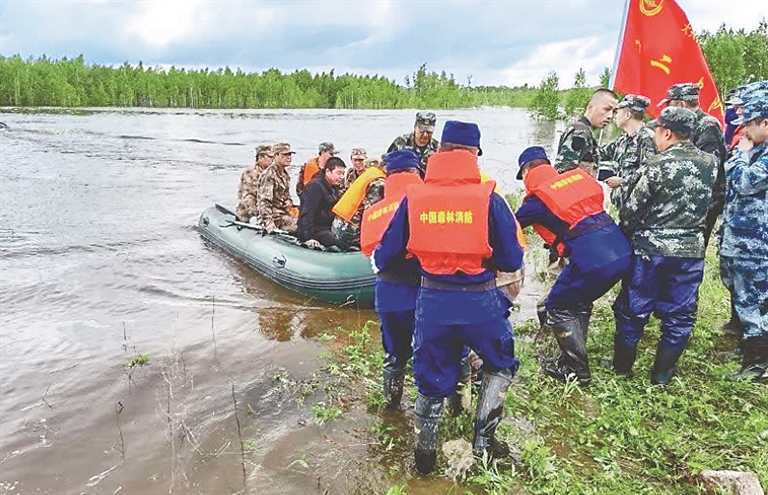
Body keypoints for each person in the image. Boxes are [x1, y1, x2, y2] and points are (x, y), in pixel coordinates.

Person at [373, 120, 525, 474]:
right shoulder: (489, 197)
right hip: (481, 304)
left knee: (429, 377)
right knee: (499, 363)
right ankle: (485, 445)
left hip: (433, 304)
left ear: (439, 152)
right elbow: (512, 259)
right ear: (473, 154)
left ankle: (424, 461)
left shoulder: (414, 197)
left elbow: (387, 256)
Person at [612, 107, 717, 385]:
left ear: (666, 132)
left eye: (657, 130)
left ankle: (622, 370)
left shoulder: (656, 165)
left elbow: (631, 210)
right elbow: (714, 201)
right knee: (680, 315)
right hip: (690, 252)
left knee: (633, 310)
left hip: (651, 250)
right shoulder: (711, 163)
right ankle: (661, 376)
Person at [515, 146, 631, 385]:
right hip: (621, 251)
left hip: (592, 261)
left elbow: (508, 228)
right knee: (578, 300)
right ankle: (569, 356)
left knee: (555, 304)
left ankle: (576, 369)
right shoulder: (576, 181)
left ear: (527, 171)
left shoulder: (536, 200)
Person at [360, 150, 424, 409]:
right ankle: (431, 410)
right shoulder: (425, 201)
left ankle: (392, 406)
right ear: (416, 172)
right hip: (424, 291)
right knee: (428, 352)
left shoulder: (374, 211)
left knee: (394, 354)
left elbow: (370, 251)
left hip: (387, 293)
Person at [720, 89, 768, 380]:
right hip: (744, 239)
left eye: (750, 123)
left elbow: (747, 183)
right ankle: (750, 350)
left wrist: (739, 156)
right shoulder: (759, 151)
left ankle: (759, 364)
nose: (745, 129)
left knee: (755, 303)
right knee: (746, 299)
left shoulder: (756, 154)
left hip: (758, 244)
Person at [659, 82, 726, 245]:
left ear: (681, 104)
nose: (668, 109)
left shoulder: (707, 125)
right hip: (690, 198)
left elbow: (708, 166)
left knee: (693, 248)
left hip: (705, 200)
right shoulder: (688, 125)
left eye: (670, 104)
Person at [600, 94, 658, 221]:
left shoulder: (647, 139)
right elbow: (601, 153)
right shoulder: (623, 140)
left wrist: (622, 181)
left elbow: (650, 173)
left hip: (640, 210)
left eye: (617, 112)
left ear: (627, 115)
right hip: (624, 207)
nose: (614, 116)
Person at [555, 89, 618, 174]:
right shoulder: (580, 133)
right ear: (590, 107)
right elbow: (564, 173)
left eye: (614, 112)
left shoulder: (586, 132)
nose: (610, 116)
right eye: (607, 109)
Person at [331, 157, 385, 249]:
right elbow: (372, 215)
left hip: (339, 225)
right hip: (349, 231)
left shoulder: (371, 174)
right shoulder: (379, 182)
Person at [297, 157, 346, 249]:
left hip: (328, 226)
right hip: (316, 229)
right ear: (328, 171)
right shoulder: (315, 187)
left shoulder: (334, 187)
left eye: (343, 173)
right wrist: (309, 237)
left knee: (347, 239)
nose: (342, 177)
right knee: (337, 243)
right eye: (338, 173)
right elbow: (307, 213)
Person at [256, 143, 298, 234]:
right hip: (274, 217)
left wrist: (289, 201)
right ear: (276, 156)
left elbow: (286, 195)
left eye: (290, 154)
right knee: (300, 227)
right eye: (285, 155)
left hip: (283, 214)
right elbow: (264, 201)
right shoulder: (269, 175)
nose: (289, 157)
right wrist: (268, 222)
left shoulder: (284, 174)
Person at [387, 111, 439, 177]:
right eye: (422, 129)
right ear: (415, 127)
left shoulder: (437, 148)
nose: (425, 134)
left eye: (429, 130)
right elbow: (387, 165)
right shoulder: (400, 143)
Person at [235, 145, 275, 223]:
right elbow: (249, 197)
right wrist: (259, 215)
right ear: (260, 158)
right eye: (270, 157)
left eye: (274, 157)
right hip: (249, 212)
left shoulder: (272, 173)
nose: (273, 160)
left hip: (268, 211)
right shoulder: (251, 173)